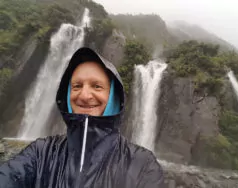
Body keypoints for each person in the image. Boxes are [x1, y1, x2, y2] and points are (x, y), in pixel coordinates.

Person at [0, 47, 165, 188]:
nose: (84, 95)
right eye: (77, 86)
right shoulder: (41, 152)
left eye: (97, 86)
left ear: (113, 96)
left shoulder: (142, 164)